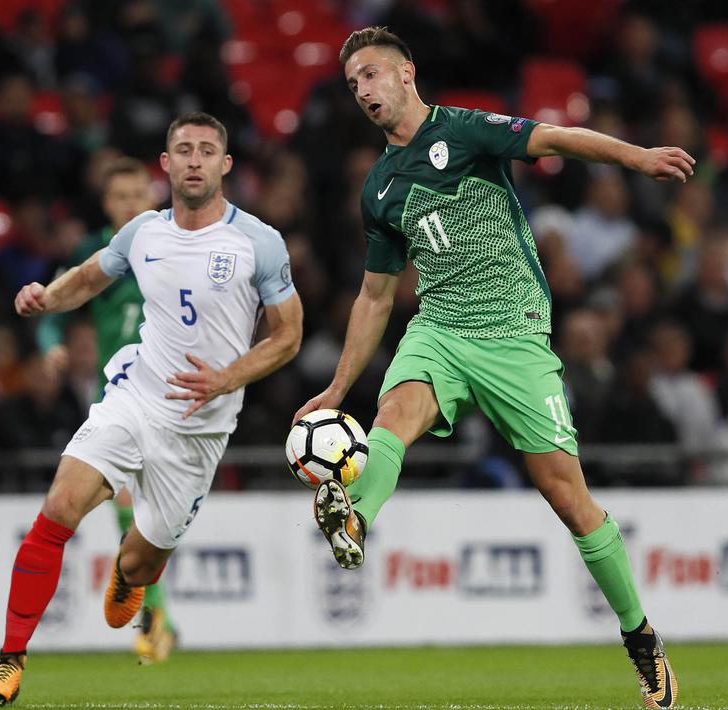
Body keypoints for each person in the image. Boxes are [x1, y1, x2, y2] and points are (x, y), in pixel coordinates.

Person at [293, 27, 692, 710]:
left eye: (372, 74)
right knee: (392, 413)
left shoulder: (464, 131)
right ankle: (355, 518)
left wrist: (637, 157)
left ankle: (640, 636)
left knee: (567, 497)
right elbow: (376, 295)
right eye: (353, 82)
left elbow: (556, 139)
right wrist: (335, 388)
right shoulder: (380, 189)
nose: (362, 90)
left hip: (513, 334)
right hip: (440, 329)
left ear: (406, 73)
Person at [0, 112, 303, 706]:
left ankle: (129, 573)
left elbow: (288, 336)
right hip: (135, 395)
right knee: (60, 507)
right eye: (185, 149)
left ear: (226, 164)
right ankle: (9, 660)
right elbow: (86, 279)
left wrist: (227, 378)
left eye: (207, 150)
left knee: (144, 563)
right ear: (166, 165)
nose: (195, 159)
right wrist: (46, 299)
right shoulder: (142, 232)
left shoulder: (258, 241)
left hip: (200, 431)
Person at [36, 156, 180, 664]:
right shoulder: (93, 251)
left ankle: (155, 610)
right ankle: (156, 620)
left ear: (152, 196)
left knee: (156, 514)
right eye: (119, 197)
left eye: (137, 194)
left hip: (173, 394)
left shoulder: (174, 241)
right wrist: (51, 343)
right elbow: (53, 306)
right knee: (128, 502)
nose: (129, 204)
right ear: (105, 204)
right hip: (118, 395)